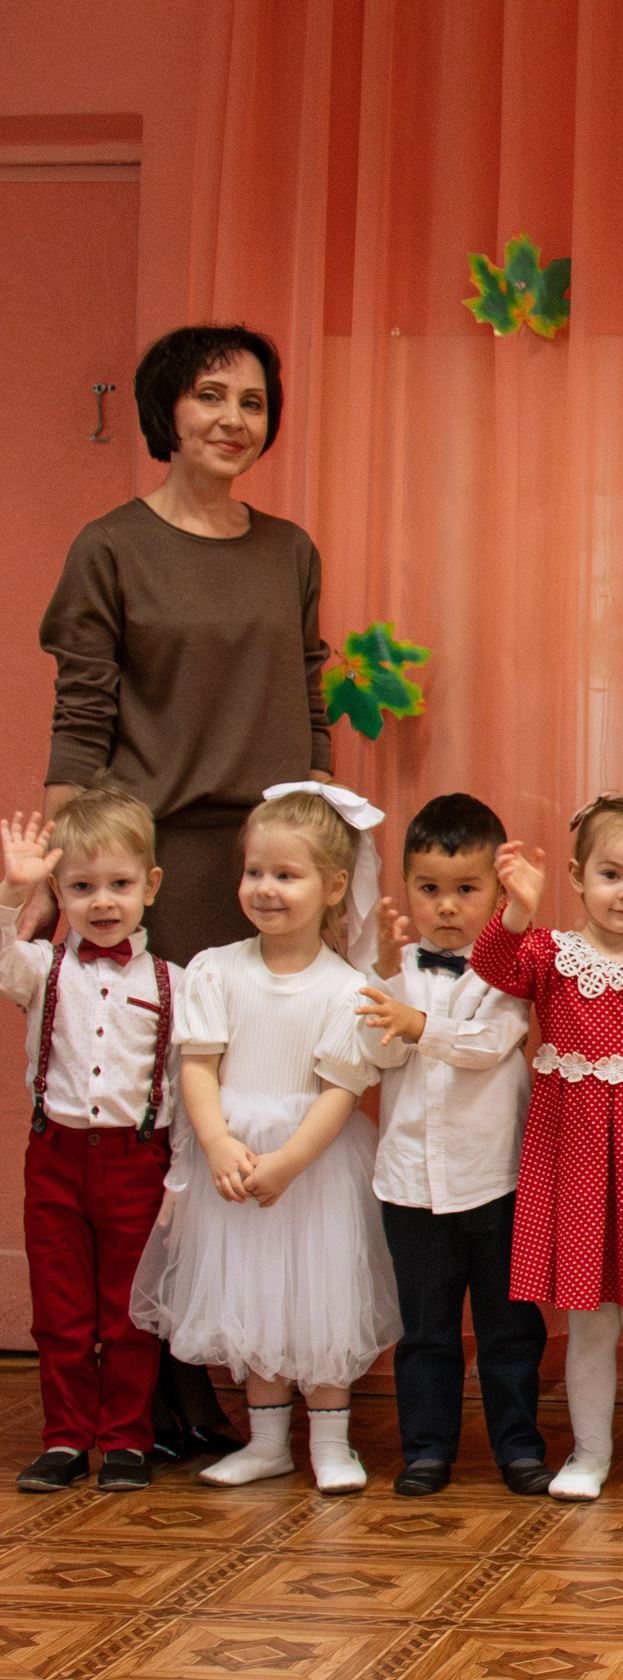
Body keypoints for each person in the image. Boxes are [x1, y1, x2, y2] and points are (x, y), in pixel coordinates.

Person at [38, 323, 333, 1463]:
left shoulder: (289, 549)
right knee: (146, 1132)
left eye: (253, 402)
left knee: (241, 1117)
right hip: (151, 867)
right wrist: (57, 877)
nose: (231, 419)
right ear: (167, 411)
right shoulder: (109, 547)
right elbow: (84, 715)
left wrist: (319, 865)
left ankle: (213, 1368)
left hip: (263, 873)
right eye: (209, 397)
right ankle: (140, 1377)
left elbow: (309, 712)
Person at [130, 785, 401, 1493]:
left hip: (309, 1168)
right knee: (253, 1299)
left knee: (320, 1302)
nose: (266, 888)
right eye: (256, 871)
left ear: (333, 885)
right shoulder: (217, 969)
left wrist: (287, 1162)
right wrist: (217, 1141)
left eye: (287, 874)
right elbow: (198, 1064)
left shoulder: (348, 988)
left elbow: (342, 1089)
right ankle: (268, 1440)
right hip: (236, 1161)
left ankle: (333, 1442)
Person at [473, 797, 623, 1504]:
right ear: (578, 876)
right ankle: (588, 1453)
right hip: (572, 1167)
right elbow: (493, 964)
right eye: (611, 874)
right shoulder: (551, 955)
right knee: (587, 1324)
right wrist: (516, 907)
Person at [353, 794, 551, 1499]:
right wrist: (380, 979)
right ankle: (428, 1448)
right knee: (426, 1331)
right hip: (410, 1180)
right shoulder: (391, 967)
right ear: (405, 886)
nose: (446, 906)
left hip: (497, 1177)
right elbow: (368, 1060)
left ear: (498, 890)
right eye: (429, 888)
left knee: (508, 1329)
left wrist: (415, 1024)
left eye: (466, 889)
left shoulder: (515, 964)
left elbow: (489, 1044)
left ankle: (519, 1446)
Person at [0, 792, 186, 1493]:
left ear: (151, 885)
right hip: (56, 1158)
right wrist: (14, 888)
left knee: (130, 1311)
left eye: (119, 884)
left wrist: (184, 1176)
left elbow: (182, 1085)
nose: (102, 902)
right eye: (81, 887)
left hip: (139, 1160)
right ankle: (65, 1437)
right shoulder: (41, 970)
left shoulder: (175, 982)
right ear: (60, 892)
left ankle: (127, 1438)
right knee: (61, 1309)